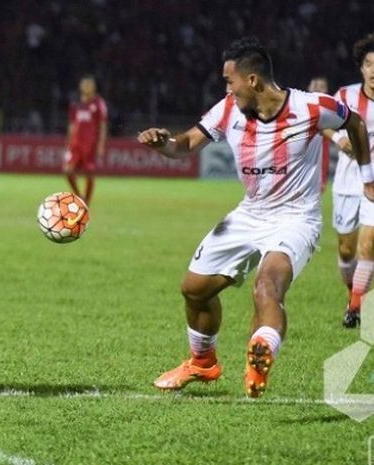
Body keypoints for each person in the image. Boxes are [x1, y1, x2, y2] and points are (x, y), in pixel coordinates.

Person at [137, 37, 373, 398]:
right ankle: (202, 363)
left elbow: (354, 124)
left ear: (252, 81)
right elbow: (184, 144)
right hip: (248, 215)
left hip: (296, 219)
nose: (226, 89)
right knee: (193, 290)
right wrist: (162, 143)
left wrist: (366, 175)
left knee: (267, 288)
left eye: (229, 81)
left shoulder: (311, 107)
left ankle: (261, 354)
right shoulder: (228, 110)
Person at [322, 34, 374, 328]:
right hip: (346, 181)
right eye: (369, 64)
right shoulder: (345, 96)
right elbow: (320, 124)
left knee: (368, 245)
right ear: (361, 68)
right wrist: (339, 138)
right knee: (346, 249)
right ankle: (351, 293)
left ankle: (355, 306)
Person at [64, 75, 107, 206]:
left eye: (89, 85)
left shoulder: (99, 103)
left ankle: (86, 202)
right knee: (68, 170)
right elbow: (72, 125)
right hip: (75, 144)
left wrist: (101, 145)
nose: (87, 87)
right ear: (80, 86)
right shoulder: (75, 103)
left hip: (90, 144)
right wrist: (68, 143)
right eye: (84, 84)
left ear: (94, 87)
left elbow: (103, 125)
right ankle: (78, 195)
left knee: (89, 172)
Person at [307, 76, 331, 193]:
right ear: (308, 88)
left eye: (321, 87)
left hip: (316, 169)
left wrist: (322, 179)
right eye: (315, 86)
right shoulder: (297, 109)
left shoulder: (331, 114)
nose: (318, 90)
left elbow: (324, 155)